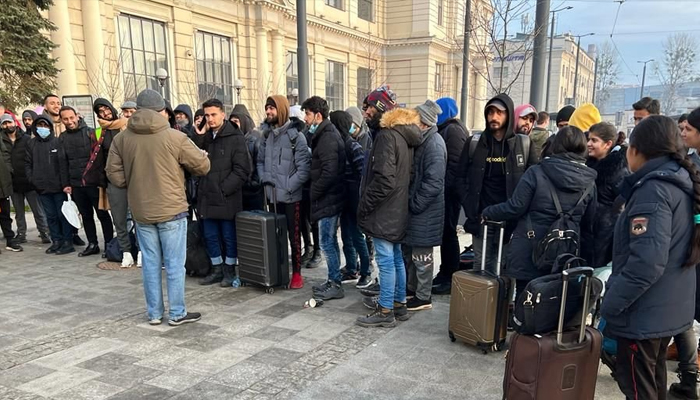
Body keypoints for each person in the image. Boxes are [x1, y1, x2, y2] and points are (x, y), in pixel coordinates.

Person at [602, 115, 699, 400]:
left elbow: (646, 263)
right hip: (665, 308)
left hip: (644, 314)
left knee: (638, 388)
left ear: (636, 150)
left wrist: (611, 304)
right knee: (652, 385)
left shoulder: (653, 192)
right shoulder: (677, 182)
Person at [106, 89, 210, 326]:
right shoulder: (175, 137)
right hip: (172, 210)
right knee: (174, 264)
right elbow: (202, 166)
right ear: (161, 110)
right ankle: (177, 313)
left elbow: (113, 173)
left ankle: (154, 313)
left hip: (142, 211)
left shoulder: (121, 139)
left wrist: (132, 183)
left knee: (151, 264)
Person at [482, 126, 596, 299]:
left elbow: (515, 206)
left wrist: (488, 211)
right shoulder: (590, 183)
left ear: (555, 146)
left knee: (526, 300)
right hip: (566, 251)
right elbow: (588, 223)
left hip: (530, 247)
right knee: (554, 303)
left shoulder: (536, 172)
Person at [456, 94, 538, 272]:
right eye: (490, 112)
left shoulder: (523, 144)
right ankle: (481, 301)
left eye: (499, 113)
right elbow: (460, 177)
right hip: (481, 216)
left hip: (510, 219)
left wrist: (520, 209)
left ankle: (500, 301)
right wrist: (470, 206)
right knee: (480, 266)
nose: (494, 117)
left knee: (503, 267)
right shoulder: (474, 143)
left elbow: (534, 180)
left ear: (508, 115)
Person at [356, 106, 421, 328]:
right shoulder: (405, 136)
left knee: (386, 261)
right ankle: (399, 305)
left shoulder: (387, 136)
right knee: (395, 259)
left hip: (384, 210)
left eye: (369, 109)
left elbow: (384, 179)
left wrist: (364, 204)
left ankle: (385, 310)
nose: (365, 113)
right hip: (398, 208)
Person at [192, 99, 251, 288]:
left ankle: (229, 270)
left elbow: (242, 170)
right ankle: (216, 269)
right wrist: (199, 136)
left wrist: (224, 189)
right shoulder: (206, 137)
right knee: (209, 235)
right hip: (207, 197)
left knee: (228, 236)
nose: (209, 119)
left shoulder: (236, 137)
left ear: (223, 114)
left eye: (213, 114)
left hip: (227, 197)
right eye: (206, 115)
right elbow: (194, 160)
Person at [258, 95, 311, 289]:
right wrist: (264, 179)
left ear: (280, 109)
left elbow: (304, 169)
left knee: (293, 236)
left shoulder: (296, 136)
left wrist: (288, 186)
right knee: (274, 236)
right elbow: (260, 161)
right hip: (271, 196)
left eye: (271, 108)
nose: (268, 112)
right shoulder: (266, 135)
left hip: (290, 197)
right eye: (266, 108)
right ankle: (278, 271)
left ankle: (297, 273)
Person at [402, 100, 446, 311]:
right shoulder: (423, 141)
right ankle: (412, 290)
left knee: (422, 257)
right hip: (418, 210)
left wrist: (415, 203)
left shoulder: (434, 144)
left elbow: (433, 182)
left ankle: (423, 296)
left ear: (424, 123)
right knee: (412, 255)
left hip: (425, 211)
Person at [668, 107, 700, 399]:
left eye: (688, 128)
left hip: (691, 247)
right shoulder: (690, 163)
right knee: (685, 311)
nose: (683, 133)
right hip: (692, 246)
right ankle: (689, 375)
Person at [302, 97, 346, 299]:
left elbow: (329, 171)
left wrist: (315, 191)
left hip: (328, 198)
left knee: (327, 242)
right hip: (328, 197)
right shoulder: (323, 134)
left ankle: (335, 283)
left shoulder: (327, 136)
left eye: (308, 114)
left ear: (318, 115)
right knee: (329, 242)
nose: (305, 118)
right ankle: (333, 280)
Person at [58, 106, 114, 257]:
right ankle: (92, 244)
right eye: (65, 119)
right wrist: (66, 184)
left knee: (102, 215)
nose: (69, 121)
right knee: (86, 215)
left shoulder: (91, 133)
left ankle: (109, 245)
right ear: (61, 120)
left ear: (77, 116)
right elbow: (62, 163)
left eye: (71, 118)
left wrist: (102, 180)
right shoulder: (62, 138)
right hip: (76, 185)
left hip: (94, 183)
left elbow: (101, 159)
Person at [329, 110, 371, 289]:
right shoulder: (338, 145)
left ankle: (366, 272)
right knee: (346, 235)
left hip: (354, 199)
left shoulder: (352, 146)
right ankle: (352, 268)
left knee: (356, 236)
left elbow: (362, 173)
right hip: (344, 198)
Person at [431, 97, 468, 294]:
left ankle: (449, 274)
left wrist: (444, 190)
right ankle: (445, 272)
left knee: (449, 233)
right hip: (448, 191)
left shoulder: (452, 131)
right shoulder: (448, 128)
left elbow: (453, 165)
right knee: (446, 233)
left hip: (449, 192)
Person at [581, 122, 629, 268]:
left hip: (606, 235)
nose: (588, 144)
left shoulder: (618, 170)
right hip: (589, 231)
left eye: (594, 140)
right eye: (588, 139)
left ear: (608, 144)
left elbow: (623, 202)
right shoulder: (591, 164)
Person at [26, 116, 75, 255]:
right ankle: (56, 241)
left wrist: (65, 183)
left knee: (62, 215)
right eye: (40, 125)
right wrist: (32, 179)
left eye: (45, 125)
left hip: (59, 187)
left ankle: (67, 242)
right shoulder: (31, 144)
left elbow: (63, 164)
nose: (43, 128)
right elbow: (27, 164)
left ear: (50, 127)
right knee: (51, 216)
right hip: (41, 187)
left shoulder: (57, 142)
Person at [94, 98, 132, 267]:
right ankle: (126, 251)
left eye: (106, 109)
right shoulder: (98, 132)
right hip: (113, 180)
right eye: (100, 111)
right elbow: (98, 158)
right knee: (119, 218)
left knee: (139, 218)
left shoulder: (126, 126)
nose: (105, 113)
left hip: (133, 178)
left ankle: (141, 250)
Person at [1, 114, 50, 243]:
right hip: (13, 182)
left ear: (15, 123)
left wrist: (33, 176)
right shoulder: (1, 140)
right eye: (4, 124)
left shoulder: (26, 139)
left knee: (37, 210)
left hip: (29, 181)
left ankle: (44, 232)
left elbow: (33, 158)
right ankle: (21, 233)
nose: (8, 126)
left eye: (9, 123)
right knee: (19, 212)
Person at [229, 104, 264, 212]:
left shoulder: (255, 138)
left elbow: (259, 162)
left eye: (236, 121)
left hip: (253, 192)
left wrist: (253, 183)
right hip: (238, 191)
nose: (233, 125)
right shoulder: (232, 138)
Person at [0, 125, 22, 253]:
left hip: (2, 181)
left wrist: (8, 170)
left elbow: (4, 153)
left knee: (5, 214)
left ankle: (10, 239)